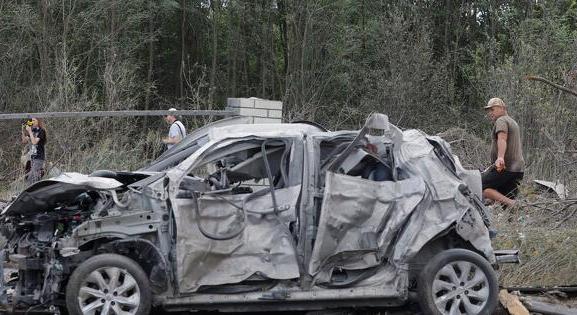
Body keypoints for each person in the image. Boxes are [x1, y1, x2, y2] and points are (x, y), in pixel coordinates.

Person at [482, 98, 525, 207]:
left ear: (502, 108)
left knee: (480, 186)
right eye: (488, 110)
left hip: (505, 167)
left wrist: (500, 157)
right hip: (517, 169)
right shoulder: (512, 122)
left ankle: (512, 203)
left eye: (492, 109)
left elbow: (502, 139)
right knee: (507, 205)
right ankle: (514, 210)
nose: (490, 113)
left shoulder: (501, 120)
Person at [21, 117, 47, 185]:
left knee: (31, 178)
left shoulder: (42, 131)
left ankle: (30, 192)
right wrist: (23, 130)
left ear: (38, 121)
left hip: (39, 158)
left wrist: (29, 131)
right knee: (35, 177)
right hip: (32, 158)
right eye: (31, 120)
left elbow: (34, 142)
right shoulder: (33, 130)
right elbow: (24, 141)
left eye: (34, 120)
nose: (32, 122)